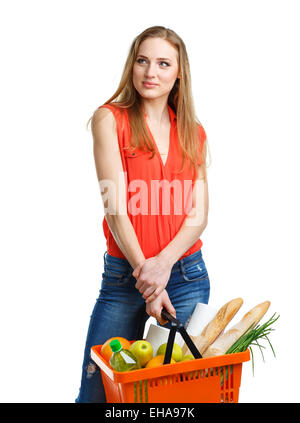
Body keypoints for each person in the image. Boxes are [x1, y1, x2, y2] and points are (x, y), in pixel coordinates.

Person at [75, 25, 210, 403]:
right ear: (131, 66)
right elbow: (115, 207)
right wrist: (147, 277)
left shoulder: (193, 132)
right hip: (123, 280)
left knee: (172, 401)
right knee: (96, 395)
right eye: (143, 61)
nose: (151, 72)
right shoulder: (109, 119)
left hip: (185, 275)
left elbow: (198, 213)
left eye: (163, 63)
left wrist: (163, 266)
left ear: (179, 72)